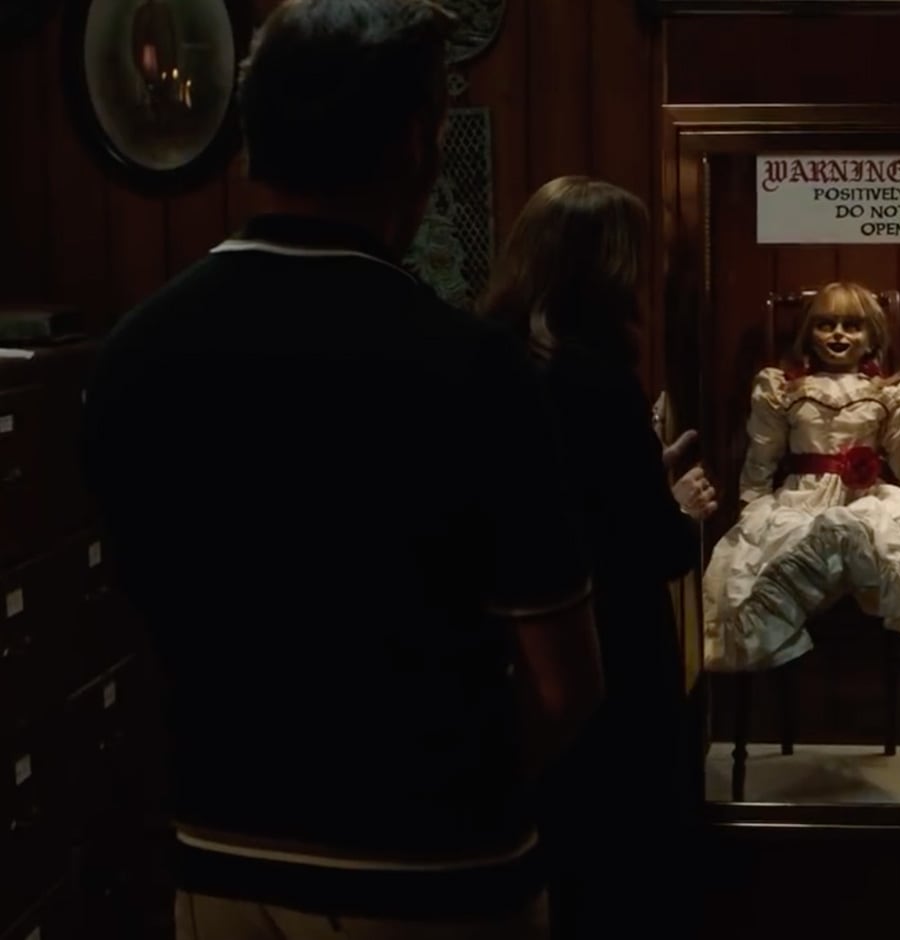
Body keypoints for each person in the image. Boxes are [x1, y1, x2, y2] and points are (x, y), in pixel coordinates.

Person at [80, 2, 604, 937]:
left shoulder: (133, 355)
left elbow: (132, 635)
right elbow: (565, 687)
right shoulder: (475, 369)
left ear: (253, 137)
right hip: (438, 876)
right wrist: (450, 779)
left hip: (219, 862)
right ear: (413, 143)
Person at [479, 175, 715, 939]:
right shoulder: (594, 375)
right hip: (607, 646)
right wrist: (679, 508)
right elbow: (648, 544)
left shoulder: (493, 357)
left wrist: (646, 473)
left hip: (507, 648)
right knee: (620, 867)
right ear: (608, 265)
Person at [701, 281, 900, 673]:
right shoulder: (783, 388)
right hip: (801, 500)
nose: (839, 334)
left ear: (872, 336)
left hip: (866, 500)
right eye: (826, 324)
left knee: (878, 533)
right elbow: (762, 455)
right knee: (767, 563)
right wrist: (751, 504)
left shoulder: (891, 393)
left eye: (852, 326)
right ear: (809, 333)